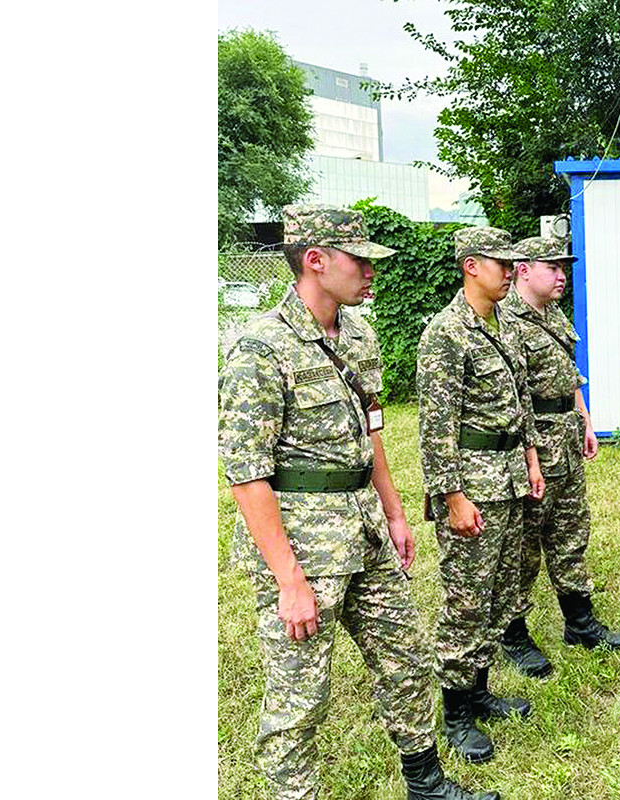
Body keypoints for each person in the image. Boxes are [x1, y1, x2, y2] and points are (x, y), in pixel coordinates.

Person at [219, 204, 499, 800]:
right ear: (316, 261)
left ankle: (426, 784)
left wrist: (395, 512)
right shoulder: (260, 349)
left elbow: (371, 429)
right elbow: (246, 477)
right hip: (306, 548)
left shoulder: (359, 335)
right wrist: (289, 580)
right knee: (300, 696)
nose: (372, 271)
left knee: (406, 658)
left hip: (366, 531)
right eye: (360, 259)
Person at [416, 226, 547, 763]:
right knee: (466, 600)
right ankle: (455, 713)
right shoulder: (445, 334)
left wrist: (533, 459)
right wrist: (451, 497)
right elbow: (435, 427)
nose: (511, 270)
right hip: (474, 485)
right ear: (472, 266)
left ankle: (480, 689)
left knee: (498, 593)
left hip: (512, 475)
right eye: (502, 262)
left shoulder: (505, 326)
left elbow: (523, 404)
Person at [495, 236, 620, 680]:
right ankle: (512, 634)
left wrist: (586, 421)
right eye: (551, 266)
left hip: (567, 438)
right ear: (522, 270)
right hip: (534, 445)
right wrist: (532, 452)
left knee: (571, 534)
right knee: (523, 547)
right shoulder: (506, 321)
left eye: (563, 266)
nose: (561, 274)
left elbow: (569, 376)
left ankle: (580, 622)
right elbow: (513, 397)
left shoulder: (552, 314)